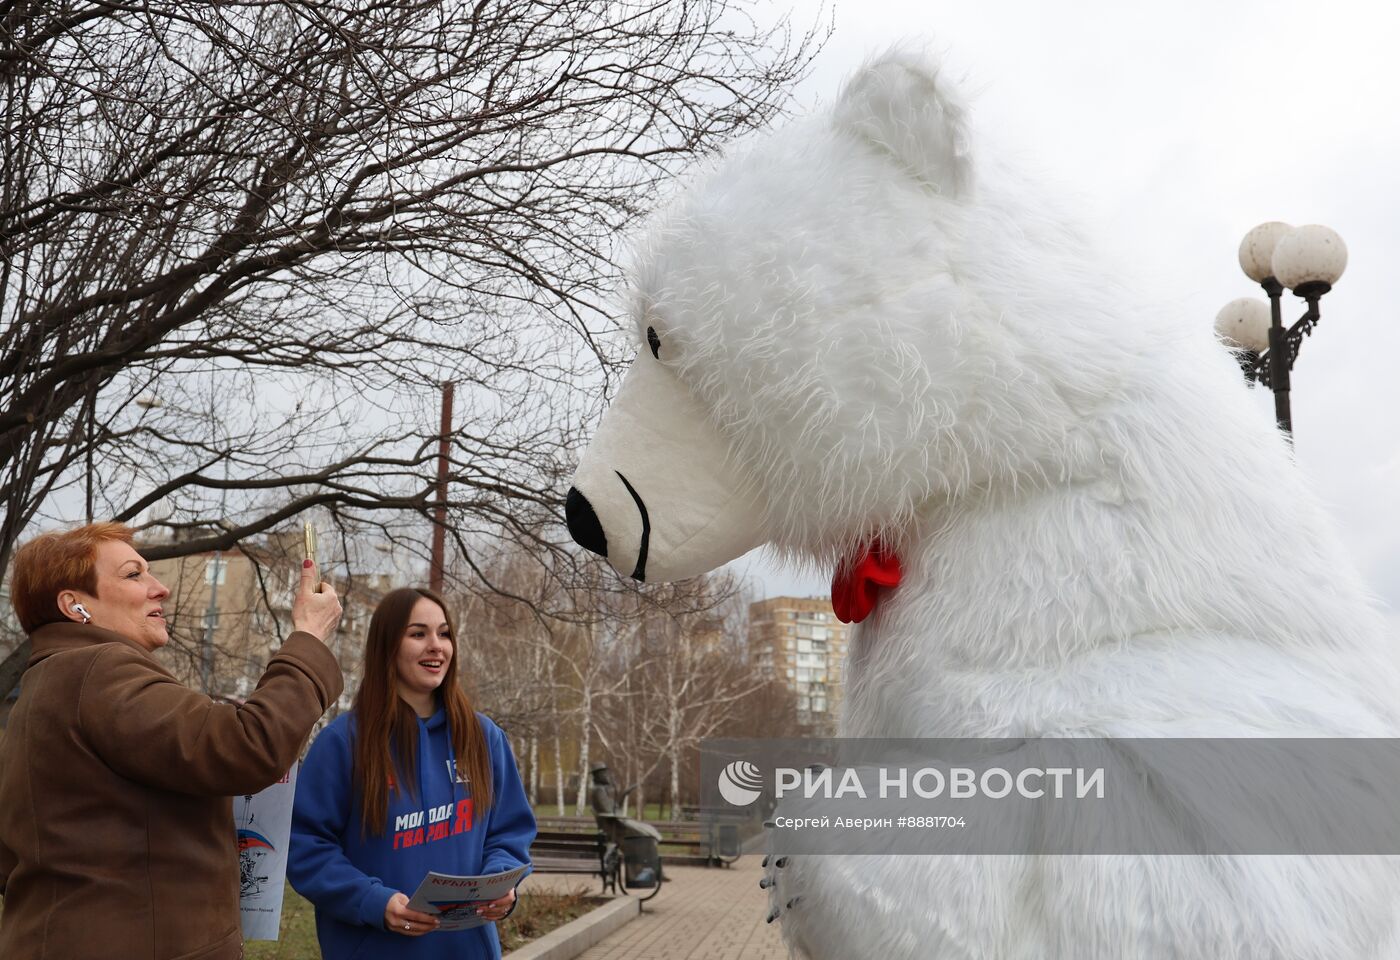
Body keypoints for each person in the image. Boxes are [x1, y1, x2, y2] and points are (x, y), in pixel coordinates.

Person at [0, 521, 344, 960]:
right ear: (75, 605)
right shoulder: (97, 670)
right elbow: (247, 747)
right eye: (132, 574)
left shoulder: (46, 684)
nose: (160, 588)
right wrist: (309, 640)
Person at [289, 586, 535, 959]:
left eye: (444, 633)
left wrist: (501, 883)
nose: (436, 645)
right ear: (388, 646)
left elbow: (509, 832)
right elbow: (305, 847)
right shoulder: (343, 743)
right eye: (418, 634)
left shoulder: (484, 738)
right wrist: (374, 902)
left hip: (467, 950)